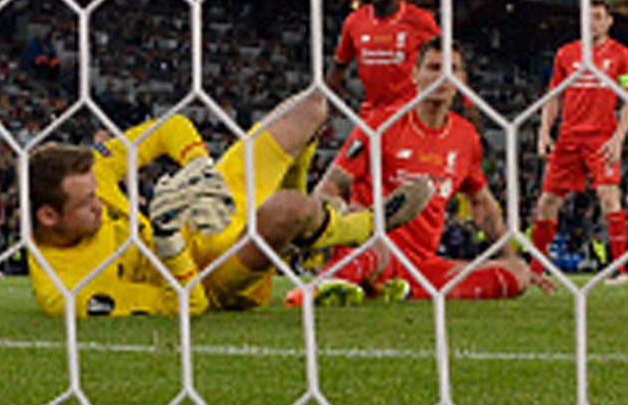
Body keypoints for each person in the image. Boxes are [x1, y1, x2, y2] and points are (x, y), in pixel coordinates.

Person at [24, 88, 428, 318]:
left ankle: (309, 215)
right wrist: (167, 242)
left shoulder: (94, 170)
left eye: (97, 192)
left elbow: (171, 129)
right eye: (87, 203)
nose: (100, 204)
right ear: (47, 216)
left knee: (311, 108)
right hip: (210, 274)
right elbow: (190, 304)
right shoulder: (68, 292)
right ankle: (364, 225)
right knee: (286, 210)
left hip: (203, 211)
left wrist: (200, 169)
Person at [290, 39, 544, 305]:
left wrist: (509, 254)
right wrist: (346, 216)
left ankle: (400, 290)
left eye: (451, 69)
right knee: (376, 246)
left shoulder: (465, 137)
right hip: (373, 250)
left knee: (519, 274)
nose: (442, 77)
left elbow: (481, 203)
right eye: (433, 67)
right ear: (415, 74)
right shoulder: (381, 124)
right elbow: (328, 187)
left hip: (422, 265)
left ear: (462, 80)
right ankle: (320, 289)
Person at [530, 0, 628, 277]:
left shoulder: (620, 55)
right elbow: (553, 96)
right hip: (568, 137)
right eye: (588, 17)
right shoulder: (566, 54)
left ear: (609, 21)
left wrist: (617, 140)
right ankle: (536, 268)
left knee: (608, 196)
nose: (593, 23)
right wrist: (544, 133)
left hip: (601, 137)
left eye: (598, 17)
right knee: (547, 201)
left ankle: (620, 269)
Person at [335, 0, 441, 113]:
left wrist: (468, 102)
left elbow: (448, 58)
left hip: (410, 109)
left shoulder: (419, 19)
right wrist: (326, 100)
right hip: (371, 111)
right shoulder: (355, 21)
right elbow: (339, 64)